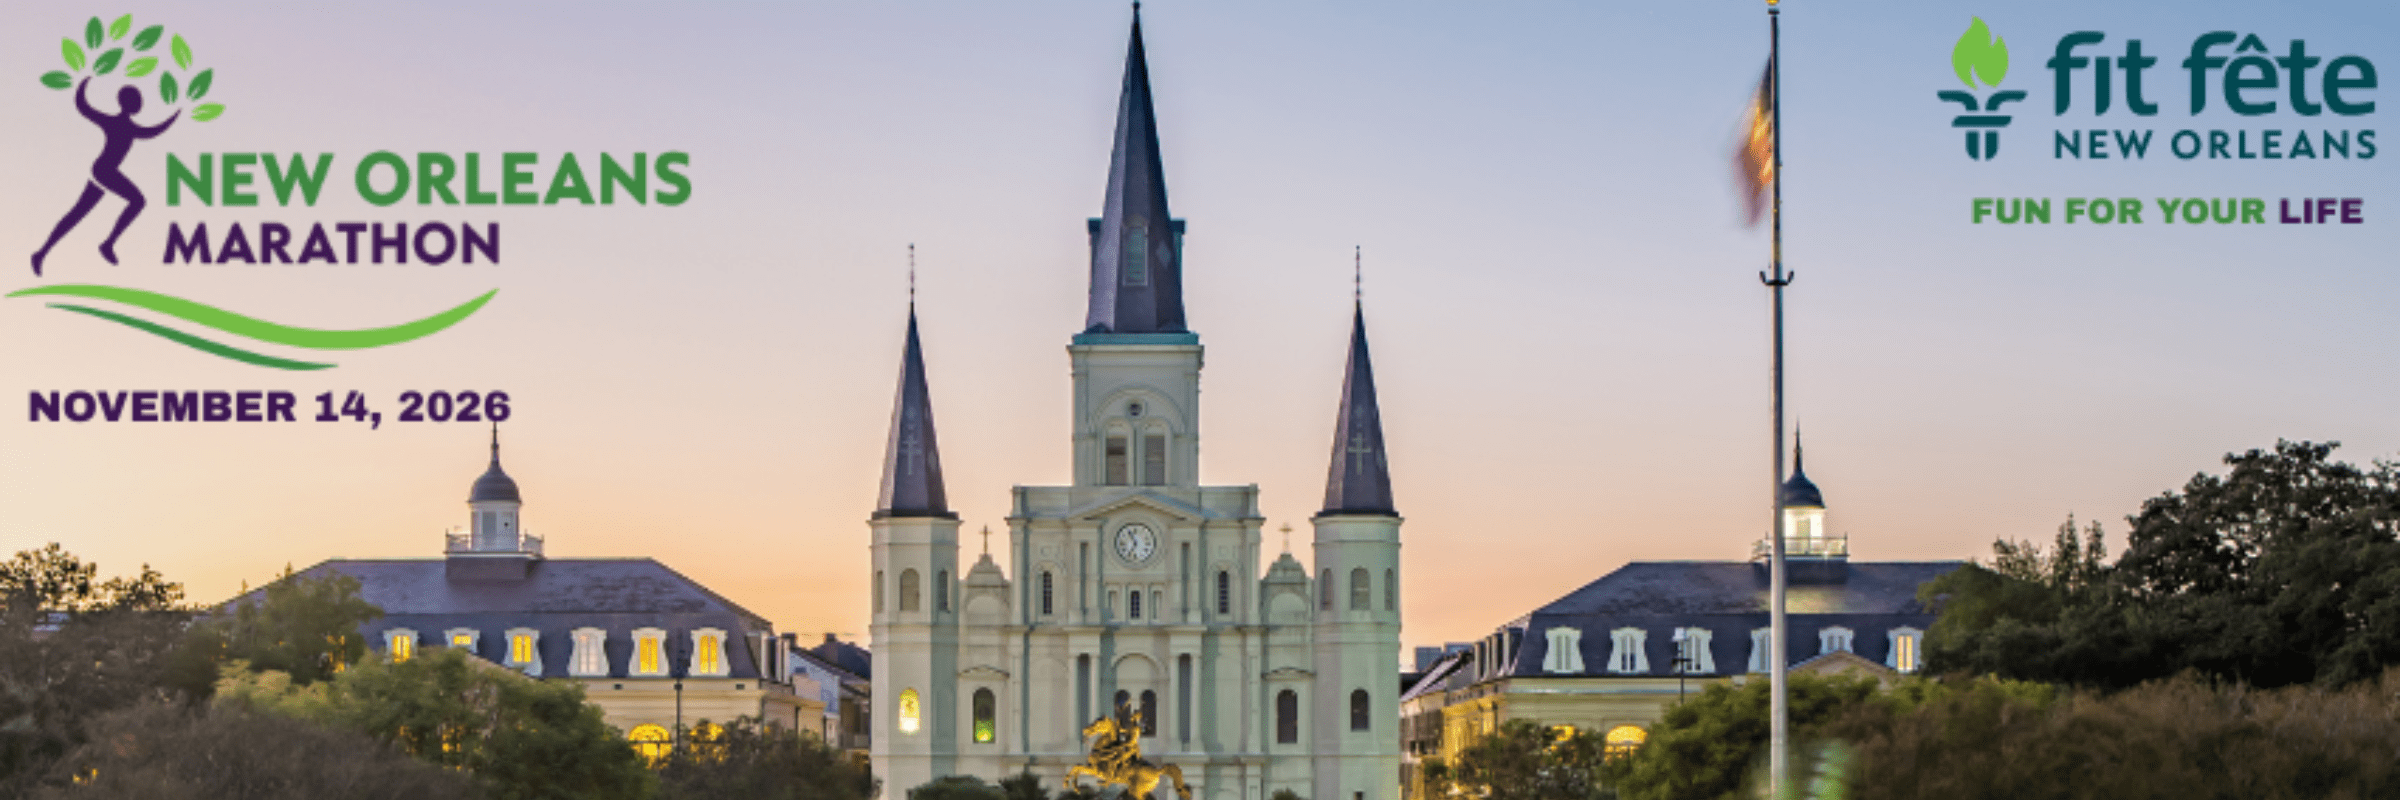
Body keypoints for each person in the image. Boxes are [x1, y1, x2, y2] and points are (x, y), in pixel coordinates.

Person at [31, 77, 179, 275]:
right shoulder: (116, 124)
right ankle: (107, 244)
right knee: (136, 201)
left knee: (77, 214)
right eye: (137, 99)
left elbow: (152, 132)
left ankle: (41, 253)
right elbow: (84, 107)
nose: (140, 103)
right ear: (127, 102)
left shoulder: (129, 128)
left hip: (104, 172)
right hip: (104, 171)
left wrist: (173, 118)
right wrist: (82, 85)